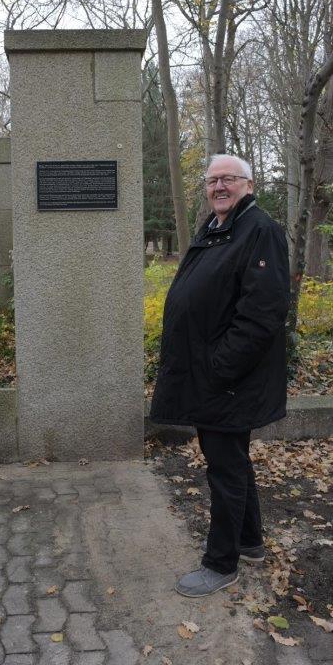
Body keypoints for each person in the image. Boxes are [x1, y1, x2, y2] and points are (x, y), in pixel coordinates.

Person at [150, 154, 289, 597]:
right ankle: (249, 542)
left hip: (229, 378)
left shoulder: (260, 230)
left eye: (228, 179)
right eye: (212, 181)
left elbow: (262, 314)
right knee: (232, 460)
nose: (218, 187)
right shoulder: (217, 228)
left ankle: (220, 563)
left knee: (225, 468)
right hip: (214, 374)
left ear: (249, 185)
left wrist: (219, 367)